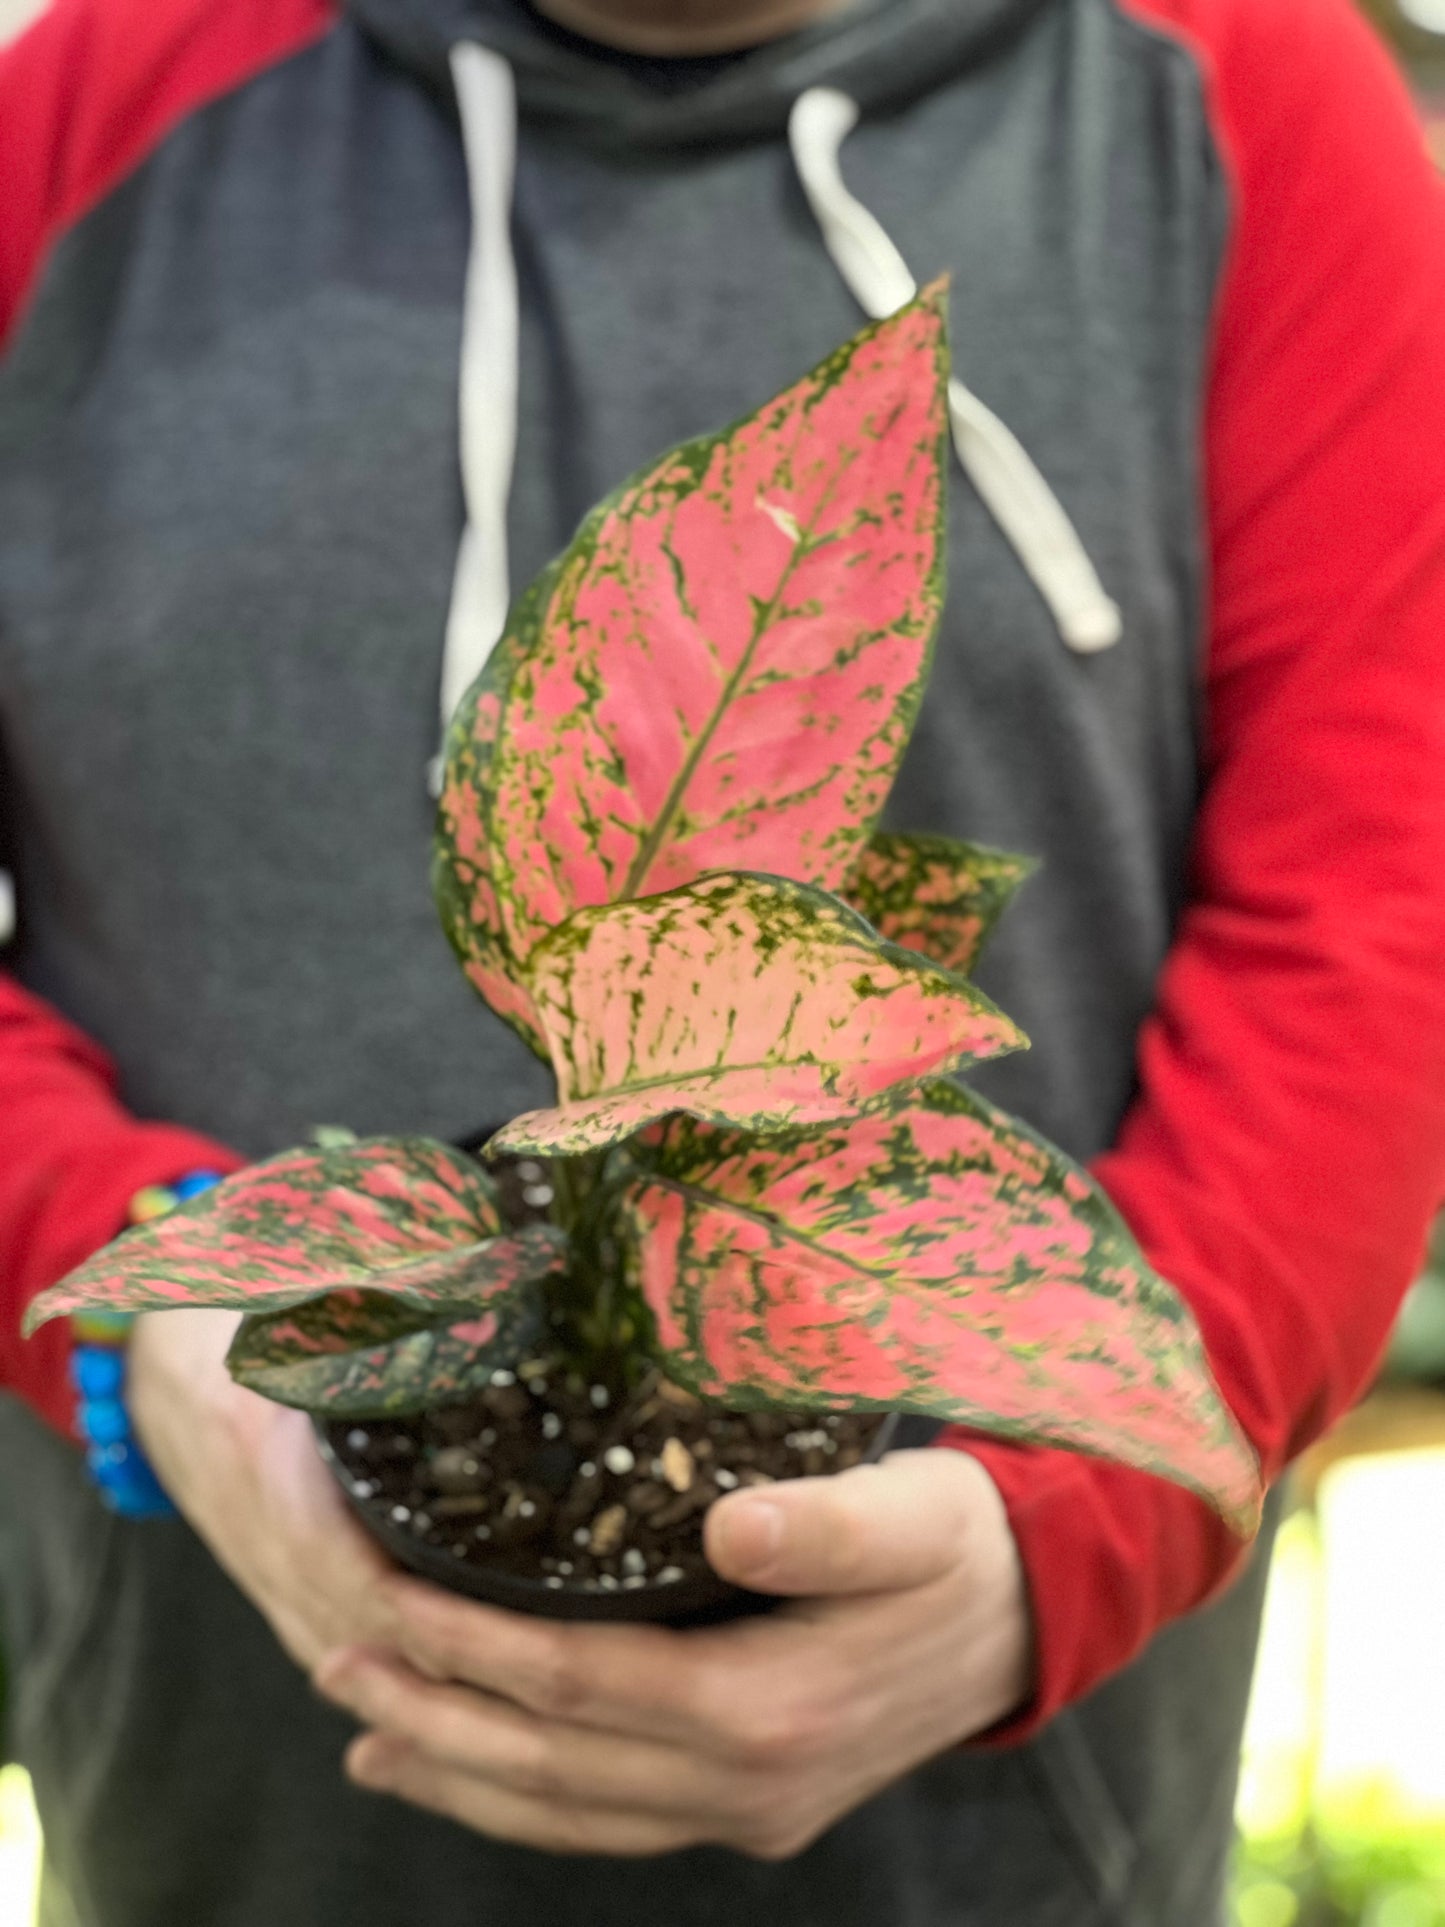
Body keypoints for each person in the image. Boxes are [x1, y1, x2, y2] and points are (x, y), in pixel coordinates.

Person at [2, 0, 1444, 1920]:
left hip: (999, 1819)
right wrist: (133, 1300)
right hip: (229, 1788)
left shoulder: (1239, 94)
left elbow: (1379, 908)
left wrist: (1070, 1526)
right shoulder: (90, 106)